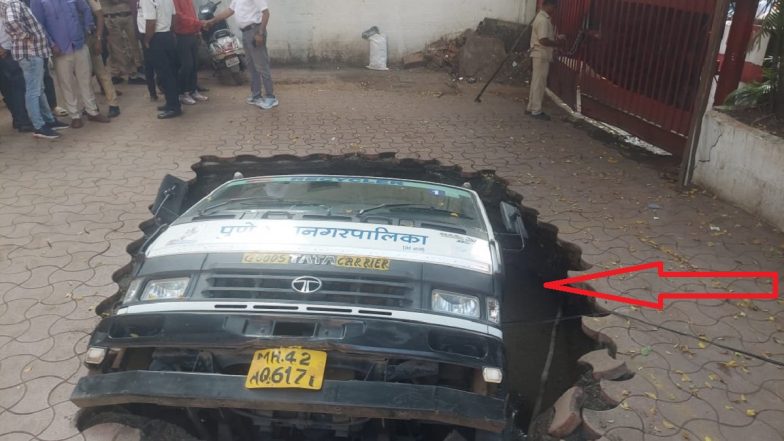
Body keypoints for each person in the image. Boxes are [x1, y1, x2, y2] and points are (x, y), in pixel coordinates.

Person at [31, 0, 112, 128]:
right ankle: (75, 115)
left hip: (79, 43)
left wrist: (87, 26)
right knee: (66, 83)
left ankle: (92, 111)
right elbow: (38, 25)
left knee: (86, 80)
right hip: (60, 49)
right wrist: (51, 44)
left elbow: (85, 9)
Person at [0, 0, 67, 138]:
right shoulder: (13, 3)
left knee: (39, 89)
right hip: (30, 52)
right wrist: (28, 37)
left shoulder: (9, 3)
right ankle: (39, 126)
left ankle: (48, 120)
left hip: (31, 52)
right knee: (33, 91)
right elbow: (12, 22)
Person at [205, 0, 277, 109]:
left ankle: (271, 97)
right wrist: (213, 21)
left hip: (255, 31)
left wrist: (261, 33)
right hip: (245, 32)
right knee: (251, 66)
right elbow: (230, 10)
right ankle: (256, 95)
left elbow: (266, 13)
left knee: (261, 65)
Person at [138, 0, 181, 118]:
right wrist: (170, 31)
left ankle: (174, 107)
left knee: (165, 74)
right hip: (166, 35)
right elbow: (174, 16)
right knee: (170, 72)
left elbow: (151, 22)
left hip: (155, 38)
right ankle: (171, 102)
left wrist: (147, 40)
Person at [527, 0, 564, 121]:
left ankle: (531, 107)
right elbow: (543, 40)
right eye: (554, 7)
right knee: (540, 83)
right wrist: (557, 43)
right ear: (548, 5)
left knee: (536, 82)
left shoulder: (541, 17)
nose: (554, 10)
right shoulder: (543, 20)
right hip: (541, 54)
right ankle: (536, 110)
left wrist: (554, 39)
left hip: (538, 54)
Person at [86, 0, 120, 117]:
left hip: (91, 38)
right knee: (83, 77)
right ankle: (90, 105)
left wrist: (99, 38)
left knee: (101, 72)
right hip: (77, 41)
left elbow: (100, 16)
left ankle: (113, 104)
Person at [0, 13, 33, 132]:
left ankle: (19, 119)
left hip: (9, 51)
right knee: (15, 88)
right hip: (6, 54)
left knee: (9, 89)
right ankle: (22, 121)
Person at [172, 0, 207, 105]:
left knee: (195, 64)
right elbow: (179, 17)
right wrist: (199, 23)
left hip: (192, 33)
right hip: (181, 35)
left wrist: (198, 30)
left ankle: (193, 90)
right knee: (187, 65)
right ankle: (182, 93)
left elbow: (193, 14)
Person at [103, 0, 144, 84]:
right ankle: (128, 74)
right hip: (112, 17)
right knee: (117, 48)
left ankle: (128, 71)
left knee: (133, 45)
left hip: (129, 14)